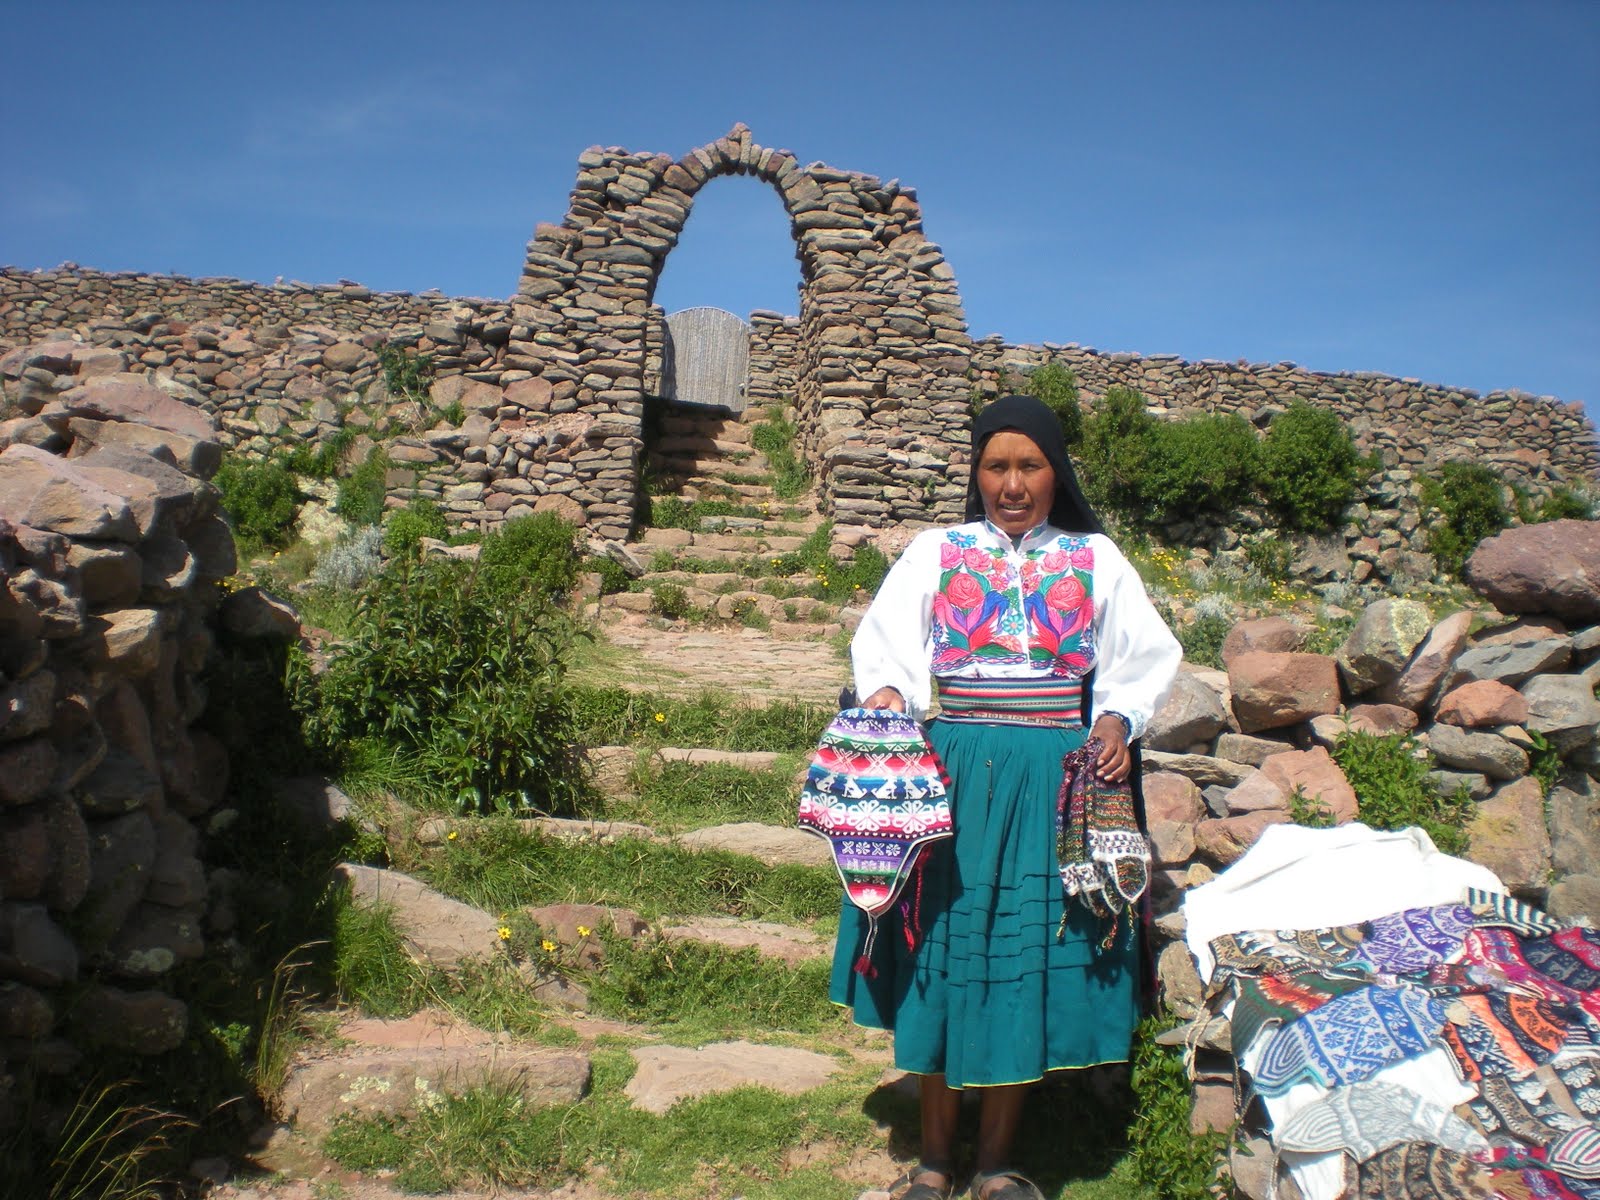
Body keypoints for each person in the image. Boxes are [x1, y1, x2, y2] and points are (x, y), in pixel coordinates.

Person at [831, 394, 1182, 1200]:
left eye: (1030, 466)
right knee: (944, 947)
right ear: (977, 472)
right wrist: (887, 692)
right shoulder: (938, 551)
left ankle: (995, 1165)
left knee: (1021, 956)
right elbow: (884, 641)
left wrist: (1117, 718)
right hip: (953, 769)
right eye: (996, 466)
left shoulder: (1095, 559)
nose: (1012, 484)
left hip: (1052, 777)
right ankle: (932, 1161)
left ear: (1057, 474)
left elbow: (1144, 654)